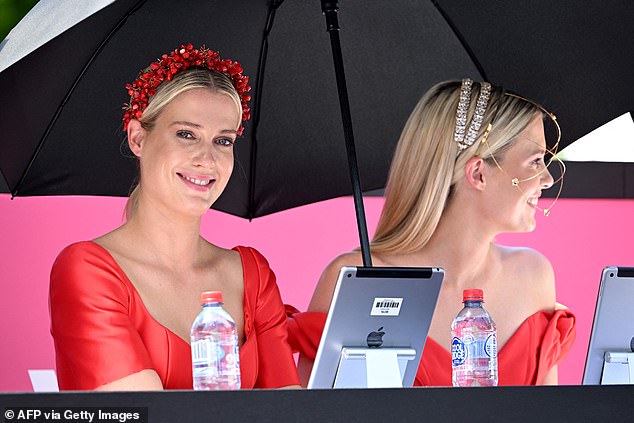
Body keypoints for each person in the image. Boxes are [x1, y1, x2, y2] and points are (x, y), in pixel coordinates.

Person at [288, 78, 576, 386]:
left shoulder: (533, 276)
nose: (547, 178)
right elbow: (314, 414)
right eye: (535, 161)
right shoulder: (356, 279)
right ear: (478, 173)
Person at [49, 44, 300, 390]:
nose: (207, 159)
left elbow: (291, 410)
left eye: (223, 141)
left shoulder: (252, 276)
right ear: (138, 137)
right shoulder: (88, 269)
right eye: (186, 134)